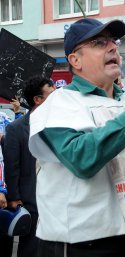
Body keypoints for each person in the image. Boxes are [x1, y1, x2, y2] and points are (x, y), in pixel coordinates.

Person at [28, 18, 125, 257]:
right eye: (99, 43)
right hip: (82, 246)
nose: (112, 48)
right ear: (74, 60)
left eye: (113, 42)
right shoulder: (58, 103)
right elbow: (82, 159)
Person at [4, 76, 55, 257]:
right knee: (31, 249)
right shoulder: (16, 129)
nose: (57, 99)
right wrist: (14, 198)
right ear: (37, 100)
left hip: (57, 199)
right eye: (52, 94)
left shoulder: (61, 126)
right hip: (30, 201)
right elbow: (11, 167)